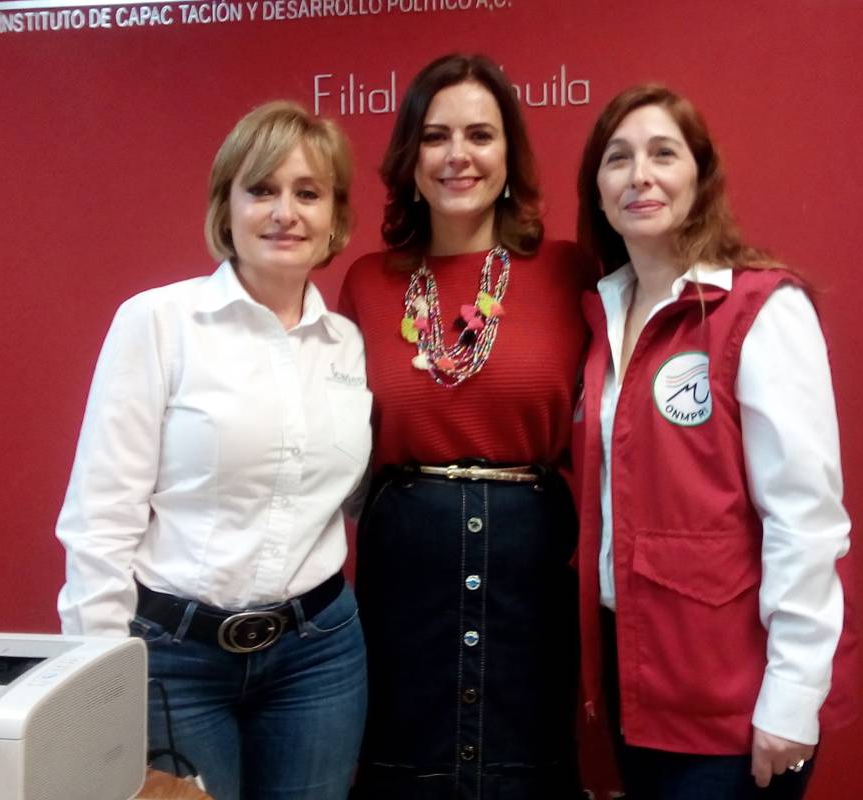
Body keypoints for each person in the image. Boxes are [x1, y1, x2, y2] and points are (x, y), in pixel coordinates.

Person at [56, 100, 373, 800]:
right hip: (175, 661)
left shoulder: (347, 344)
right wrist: (99, 684)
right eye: (261, 189)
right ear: (226, 208)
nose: (285, 212)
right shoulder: (158, 323)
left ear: (335, 218)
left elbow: (341, 493)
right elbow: (100, 520)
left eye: (308, 193)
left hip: (318, 660)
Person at [572, 84, 856, 799]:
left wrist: (793, 696)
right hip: (634, 681)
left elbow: (805, 516)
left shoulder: (761, 308)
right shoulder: (602, 315)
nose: (640, 175)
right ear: (597, 189)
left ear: (700, 177)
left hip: (731, 695)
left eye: (663, 154)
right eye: (618, 158)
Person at [337, 54, 587, 799]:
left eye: (480, 135)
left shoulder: (569, 272)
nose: (458, 156)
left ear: (510, 157)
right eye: (435, 136)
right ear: (410, 159)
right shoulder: (368, 282)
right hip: (404, 589)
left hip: (531, 587)